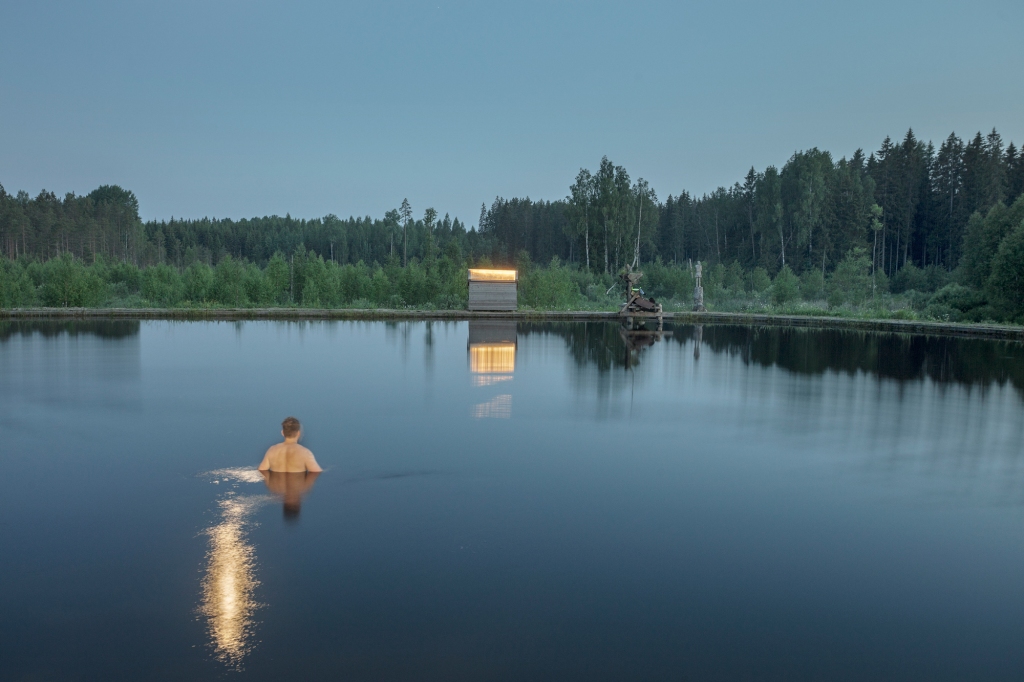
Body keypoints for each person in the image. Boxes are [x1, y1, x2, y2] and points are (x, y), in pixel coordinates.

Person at [257, 416, 323, 473]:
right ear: (298, 433)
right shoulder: (305, 453)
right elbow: (316, 472)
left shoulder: (271, 450)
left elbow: (261, 470)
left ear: (282, 433)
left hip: (277, 486)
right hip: (297, 486)